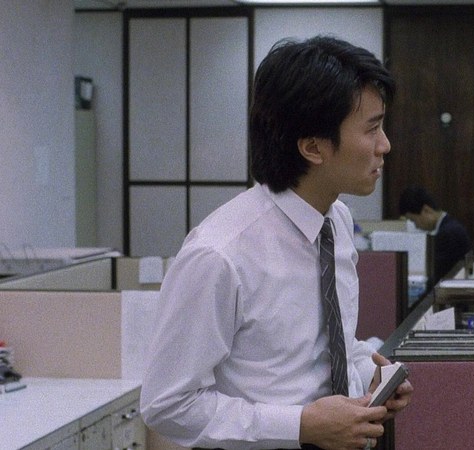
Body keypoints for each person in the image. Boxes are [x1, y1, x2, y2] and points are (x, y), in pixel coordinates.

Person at [140, 35, 412, 450]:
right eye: (372, 129)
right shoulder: (220, 255)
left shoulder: (336, 221)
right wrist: (300, 425)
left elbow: (328, 346)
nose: (385, 145)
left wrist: (368, 376)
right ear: (313, 147)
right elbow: (167, 405)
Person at [398, 185, 471, 282]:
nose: (416, 226)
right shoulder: (449, 227)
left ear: (426, 210)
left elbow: (436, 275)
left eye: (413, 220)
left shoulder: (448, 234)